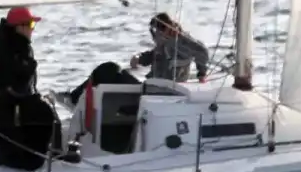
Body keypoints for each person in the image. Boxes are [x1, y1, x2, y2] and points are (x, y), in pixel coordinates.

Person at [64, 11, 210, 105]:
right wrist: (139, 58)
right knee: (110, 73)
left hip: (160, 92)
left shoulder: (180, 42)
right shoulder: (165, 43)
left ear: (164, 29)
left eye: (155, 34)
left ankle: (73, 98)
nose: (153, 38)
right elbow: (154, 55)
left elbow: (202, 51)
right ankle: (79, 98)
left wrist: (201, 74)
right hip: (152, 87)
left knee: (109, 69)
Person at [0, 7, 60, 171]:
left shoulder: (20, 46)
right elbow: (13, 85)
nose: (32, 29)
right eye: (30, 24)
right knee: (43, 114)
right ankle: (11, 162)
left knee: (45, 113)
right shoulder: (4, 50)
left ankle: (40, 157)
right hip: (2, 108)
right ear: (19, 27)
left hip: (14, 105)